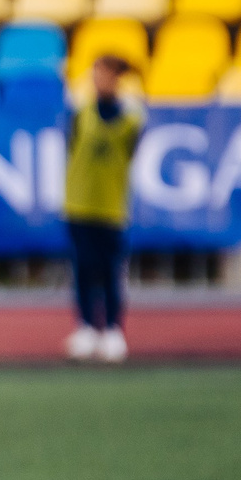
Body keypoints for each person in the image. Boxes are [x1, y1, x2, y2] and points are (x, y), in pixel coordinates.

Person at [64, 53, 141, 363]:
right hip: (79, 204)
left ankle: (112, 329)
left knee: (110, 271)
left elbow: (131, 152)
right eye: (96, 74)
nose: (99, 81)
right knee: (83, 268)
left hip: (111, 207)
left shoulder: (131, 120)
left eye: (106, 74)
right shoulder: (80, 113)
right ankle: (86, 327)